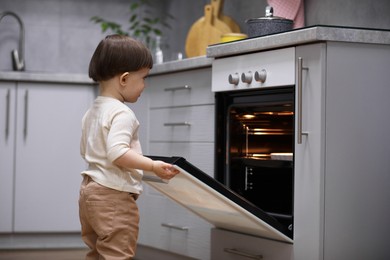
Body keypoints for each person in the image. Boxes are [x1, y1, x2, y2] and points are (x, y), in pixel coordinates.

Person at [78, 34, 180, 259]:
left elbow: (86, 150)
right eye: (143, 77)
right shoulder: (122, 113)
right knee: (117, 253)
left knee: (97, 252)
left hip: (89, 192)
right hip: (112, 195)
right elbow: (117, 152)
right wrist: (152, 166)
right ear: (124, 79)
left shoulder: (93, 110)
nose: (144, 85)